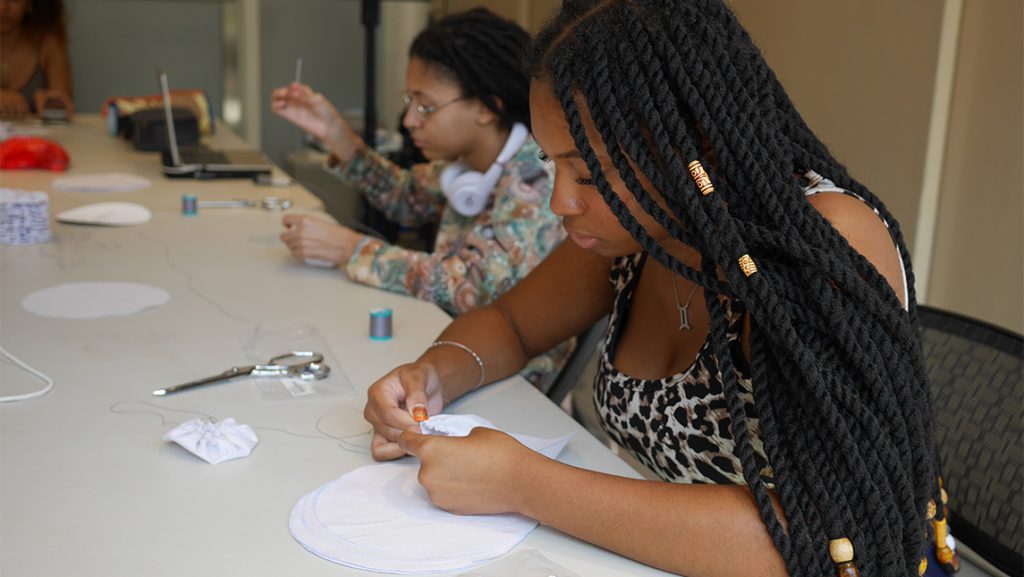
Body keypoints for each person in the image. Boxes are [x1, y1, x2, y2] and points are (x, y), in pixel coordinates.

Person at [363, 1, 954, 576]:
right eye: (551, 164)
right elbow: (512, 326)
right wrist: (436, 373)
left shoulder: (820, 247)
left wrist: (524, 484)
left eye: (588, 173)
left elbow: (831, 536)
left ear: (687, 148)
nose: (560, 202)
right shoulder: (639, 228)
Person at [271, 8, 569, 390]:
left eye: (425, 105)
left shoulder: (535, 176)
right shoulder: (462, 165)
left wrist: (349, 248)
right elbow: (403, 196)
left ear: (484, 106)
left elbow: (469, 286)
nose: (409, 119)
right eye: (409, 101)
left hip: (514, 384)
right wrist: (334, 132)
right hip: (452, 348)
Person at [0, 0, 73, 118]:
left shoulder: (48, 44)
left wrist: (51, 102)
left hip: (36, 136)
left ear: (30, 4)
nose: (2, 7)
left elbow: (65, 110)